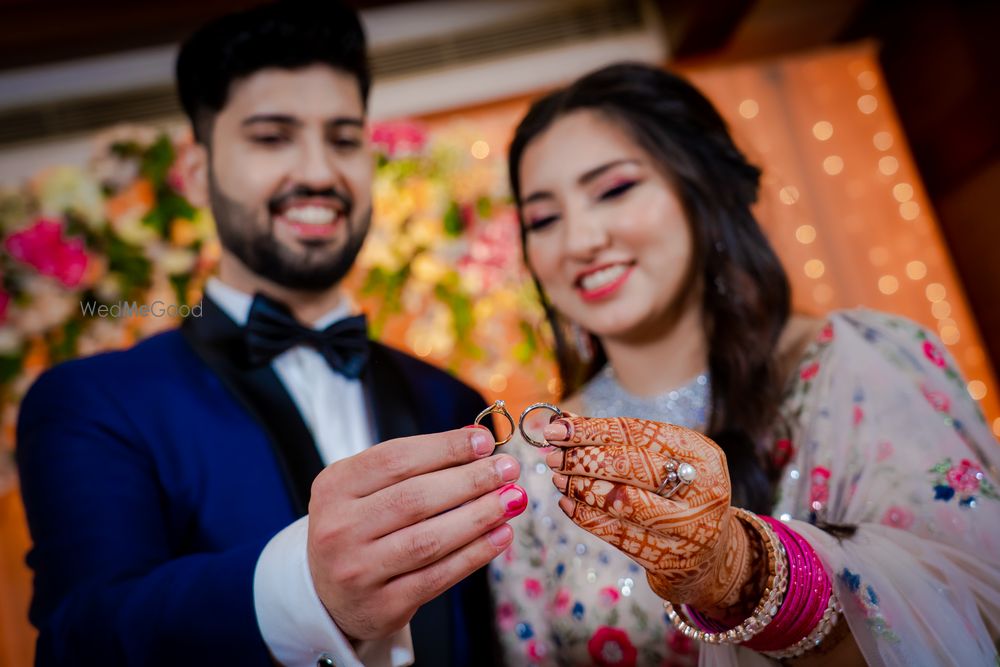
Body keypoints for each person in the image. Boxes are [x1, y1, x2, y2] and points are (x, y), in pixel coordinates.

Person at [16, 3, 524, 666]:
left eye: (343, 139)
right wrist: (303, 591)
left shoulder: (453, 401)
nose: (318, 172)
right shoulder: (91, 401)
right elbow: (83, 637)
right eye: (271, 136)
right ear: (197, 174)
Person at [489, 62, 1000, 666]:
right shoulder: (531, 466)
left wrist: (745, 576)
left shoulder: (862, 366)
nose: (578, 241)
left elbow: (973, 599)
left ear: (702, 183)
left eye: (615, 189)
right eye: (543, 219)